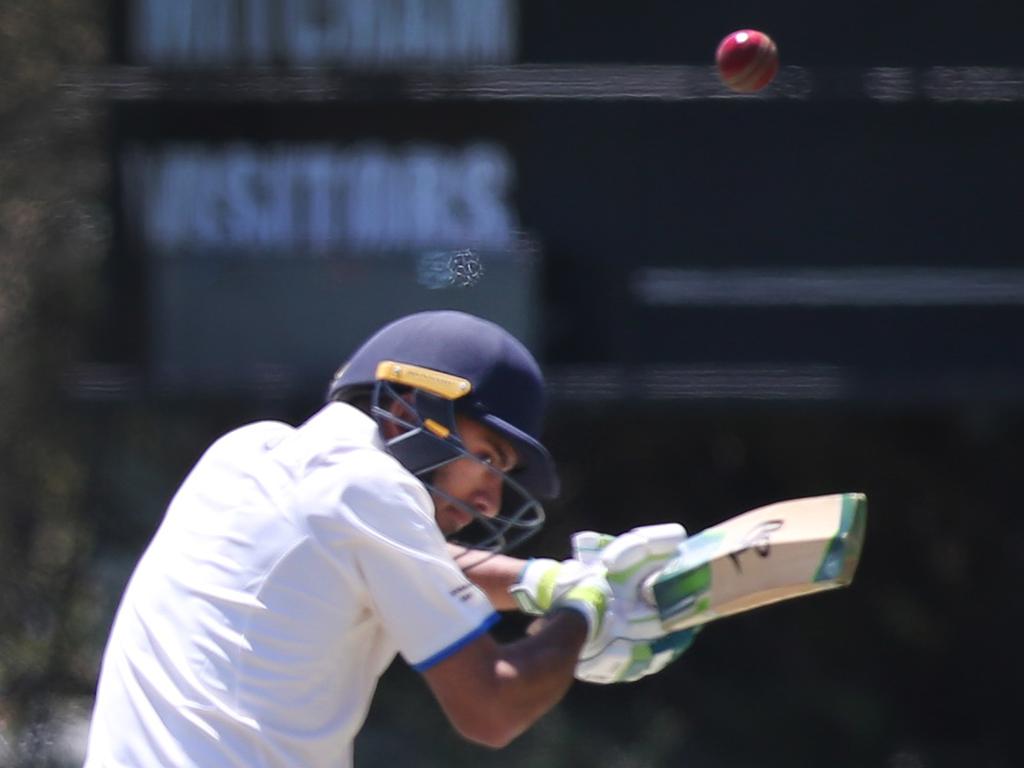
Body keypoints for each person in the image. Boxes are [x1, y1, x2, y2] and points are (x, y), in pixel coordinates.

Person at [84, 310, 697, 767]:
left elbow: (402, 558)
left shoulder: (245, 456)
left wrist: (542, 581)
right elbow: (493, 708)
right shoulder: (369, 489)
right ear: (407, 414)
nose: (489, 499)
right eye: (487, 457)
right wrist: (583, 613)